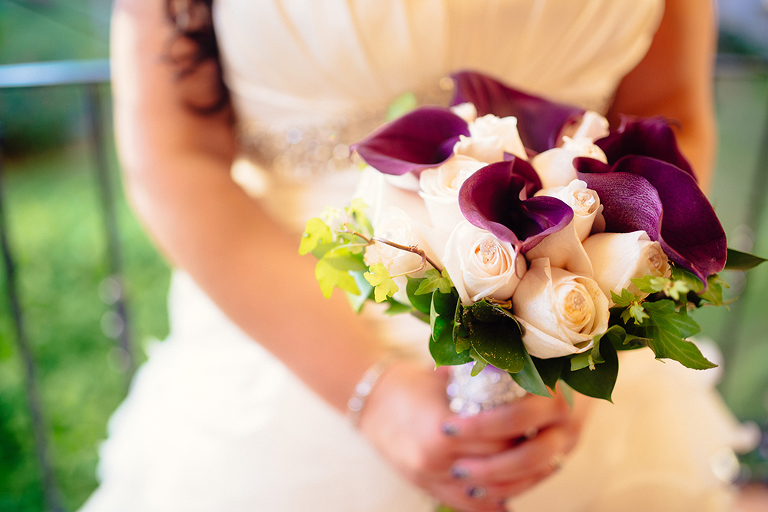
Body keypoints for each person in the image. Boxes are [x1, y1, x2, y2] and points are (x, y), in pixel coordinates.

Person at [80, 1, 749, 511]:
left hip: (576, 343)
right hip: (289, 346)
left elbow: (665, 112)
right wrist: (369, 394)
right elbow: (174, 156)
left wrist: (583, 351)